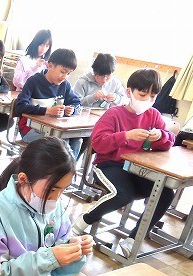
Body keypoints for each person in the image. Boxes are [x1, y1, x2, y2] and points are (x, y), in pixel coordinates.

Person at [72, 69, 176, 257]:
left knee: (166, 193)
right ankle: (83, 221)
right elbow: (98, 143)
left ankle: (134, 239)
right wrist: (126, 136)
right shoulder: (114, 114)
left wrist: (160, 136)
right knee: (122, 194)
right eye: (142, 95)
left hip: (137, 170)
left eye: (153, 96)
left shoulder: (153, 115)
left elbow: (169, 141)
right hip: (109, 165)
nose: (148, 100)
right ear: (129, 92)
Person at [0, 138, 93, 276]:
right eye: (52, 190)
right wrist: (49, 258)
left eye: (63, 190)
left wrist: (75, 250)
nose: (57, 198)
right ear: (23, 179)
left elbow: (61, 272)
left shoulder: (55, 207)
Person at [14, 48, 82, 157]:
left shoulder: (65, 85)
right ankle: (60, 167)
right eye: (62, 72)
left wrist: (72, 109)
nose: (65, 77)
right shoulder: (33, 81)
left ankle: (68, 168)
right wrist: (47, 111)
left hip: (54, 129)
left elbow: (77, 102)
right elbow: (20, 107)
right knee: (62, 144)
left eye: (68, 73)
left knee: (77, 140)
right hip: (31, 129)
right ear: (50, 66)